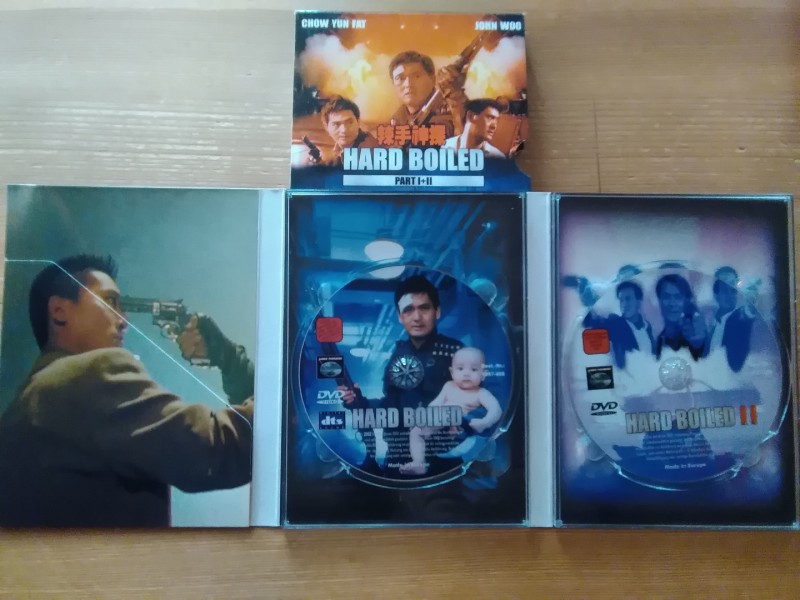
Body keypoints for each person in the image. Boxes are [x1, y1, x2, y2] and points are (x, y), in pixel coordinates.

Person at [0, 255, 254, 527]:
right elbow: (216, 449)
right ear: (59, 310)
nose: (124, 321)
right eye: (110, 301)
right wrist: (237, 365)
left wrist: (230, 363)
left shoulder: (23, 406)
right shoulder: (92, 374)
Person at [340, 275, 463, 476]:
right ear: (400, 316)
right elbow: (391, 406)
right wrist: (359, 401)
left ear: (437, 311)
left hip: (443, 460)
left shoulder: (456, 352)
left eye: (424, 308)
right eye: (408, 310)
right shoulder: (398, 354)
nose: (416, 317)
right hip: (398, 458)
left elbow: (478, 403)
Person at [400, 347, 501, 475]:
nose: (466, 373)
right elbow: (436, 403)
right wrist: (424, 417)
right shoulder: (449, 386)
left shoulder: (481, 393)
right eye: (460, 368)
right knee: (415, 432)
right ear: (452, 372)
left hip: (461, 432)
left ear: (483, 373)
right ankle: (419, 463)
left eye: (474, 369)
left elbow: (496, 410)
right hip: (441, 425)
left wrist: (485, 422)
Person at [388, 51, 468, 139]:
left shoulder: (453, 107)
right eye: (400, 78)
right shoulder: (398, 118)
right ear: (393, 84)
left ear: (433, 79)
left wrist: (456, 97)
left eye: (417, 76)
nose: (408, 84)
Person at [582, 280, 654, 369]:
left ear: (638, 302)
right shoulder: (615, 323)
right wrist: (590, 307)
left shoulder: (648, 327)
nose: (624, 304)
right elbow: (590, 322)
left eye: (628, 299)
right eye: (621, 300)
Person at [705, 266, 755, 372]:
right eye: (724, 288)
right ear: (716, 294)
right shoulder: (711, 321)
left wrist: (752, 306)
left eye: (733, 288)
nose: (729, 294)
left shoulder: (741, 316)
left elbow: (749, 314)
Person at [311, 95, 378, 165]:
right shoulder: (342, 146)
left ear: (358, 123)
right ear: (327, 128)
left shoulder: (367, 152)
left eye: (350, 122)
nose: (344, 130)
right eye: (336, 124)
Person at [653, 273, 707, 360]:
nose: (672, 303)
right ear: (659, 300)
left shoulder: (695, 338)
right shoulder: (660, 340)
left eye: (677, 297)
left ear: (686, 301)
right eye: (666, 297)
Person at [443, 98, 507, 158]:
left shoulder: (498, 157)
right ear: (471, 116)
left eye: (496, 121)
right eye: (490, 118)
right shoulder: (444, 149)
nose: (494, 126)